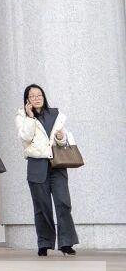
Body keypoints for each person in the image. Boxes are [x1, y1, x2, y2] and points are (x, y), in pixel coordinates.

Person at [17, 83, 78, 256]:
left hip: (57, 165)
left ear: (43, 97)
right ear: (27, 100)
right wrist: (30, 117)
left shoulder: (54, 114)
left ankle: (66, 243)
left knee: (63, 203)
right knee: (42, 207)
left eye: (39, 95)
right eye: (32, 96)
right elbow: (25, 138)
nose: (36, 98)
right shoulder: (22, 116)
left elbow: (62, 141)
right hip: (36, 165)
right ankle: (44, 243)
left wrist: (61, 137)